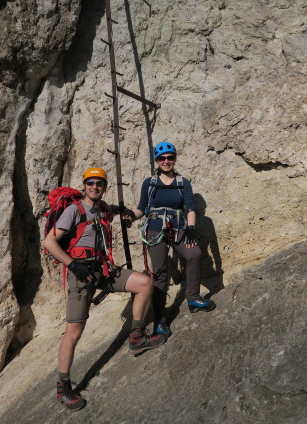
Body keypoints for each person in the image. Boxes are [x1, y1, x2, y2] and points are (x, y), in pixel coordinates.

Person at [43, 167, 165, 412]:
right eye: (91, 183)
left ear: (104, 187)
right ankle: (63, 387)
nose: (95, 187)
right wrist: (72, 264)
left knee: (144, 283)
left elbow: (114, 211)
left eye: (99, 184)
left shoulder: (102, 208)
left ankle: (137, 337)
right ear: (84, 185)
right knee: (74, 332)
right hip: (81, 274)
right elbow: (49, 242)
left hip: (104, 270)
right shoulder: (73, 210)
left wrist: (126, 211)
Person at [124, 142, 216, 339]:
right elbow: (142, 207)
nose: (166, 161)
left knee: (194, 253)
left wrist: (191, 228)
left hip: (178, 227)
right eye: (162, 158)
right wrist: (132, 216)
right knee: (160, 273)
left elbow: (189, 207)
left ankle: (192, 298)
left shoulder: (183, 182)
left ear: (174, 159)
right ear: (157, 161)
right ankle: (159, 319)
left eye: (170, 157)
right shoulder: (149, 183)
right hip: (155, 229)